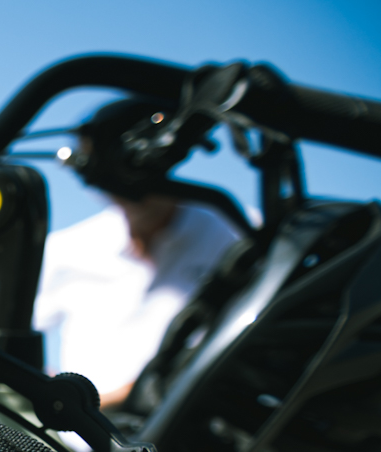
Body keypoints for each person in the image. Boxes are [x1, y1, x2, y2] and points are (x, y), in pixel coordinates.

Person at [34, 101, 243, 407]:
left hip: (194, 431)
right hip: (77, 446)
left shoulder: (233, 234)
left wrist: (116, 401)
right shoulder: (68, 249)